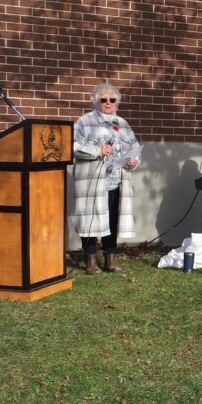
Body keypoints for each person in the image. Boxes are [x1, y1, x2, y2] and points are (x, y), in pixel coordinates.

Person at [72, 83, 141, 273]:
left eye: (112, 99)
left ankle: (110, 259)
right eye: (103, 99)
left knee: (112, 220)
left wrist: (134, 161)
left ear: (117, 102)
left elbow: (135, 147)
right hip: (91, 182)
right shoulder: (84, 122)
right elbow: (71, 146)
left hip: (116, 181)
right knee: (89, 219)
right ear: (95, 102)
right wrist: (97, 150)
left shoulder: (123, 124)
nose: (108, 103)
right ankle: (90, 260)